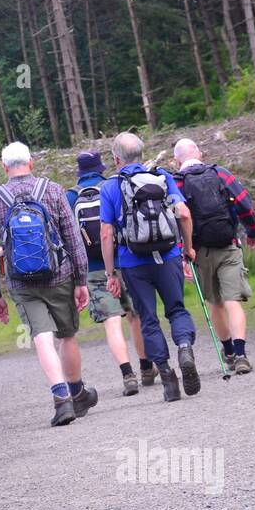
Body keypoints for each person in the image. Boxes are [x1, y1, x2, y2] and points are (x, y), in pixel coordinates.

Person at [0, 142, 96, 427]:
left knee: (42, 337)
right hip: (60, 276)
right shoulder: (53, 190)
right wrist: (81, 281)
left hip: (21, 282)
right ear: (31, 163)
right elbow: (73, 239)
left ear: (4, 167)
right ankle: (77, 392)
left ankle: (61, 399)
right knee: (67, 335)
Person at [96, 132, 201, 402]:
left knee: (148, 319)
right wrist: (187, 248)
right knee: (176, 308)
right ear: (141, 155)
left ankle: (167, 376)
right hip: (167, 257)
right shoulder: (162, 177)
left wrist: (110, 273)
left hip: (133, 262)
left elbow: (106, 234)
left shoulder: (109, 187)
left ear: (116, 158)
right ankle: (185, 347)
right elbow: (185, 214)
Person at [66, 151, 152, 396]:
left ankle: (128, 375)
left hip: (92, 270)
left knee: (112, 323)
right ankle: (146, 368)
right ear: (101, 167)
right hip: (125, 262)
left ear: (79, 172)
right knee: (135, 315)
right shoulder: (113, 187)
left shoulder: (70, 196)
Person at [172, 138, 255, 374]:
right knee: (233, 300)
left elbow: (177, 219)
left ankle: (229, 352)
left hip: (199, 251)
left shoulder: (175, 183)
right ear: (200, 154)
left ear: (176, 160)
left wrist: (184, 252)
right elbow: (244, 203)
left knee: (216, 302)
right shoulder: (220, 174)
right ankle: (242, 355)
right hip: (228, 244)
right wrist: (252, 231)